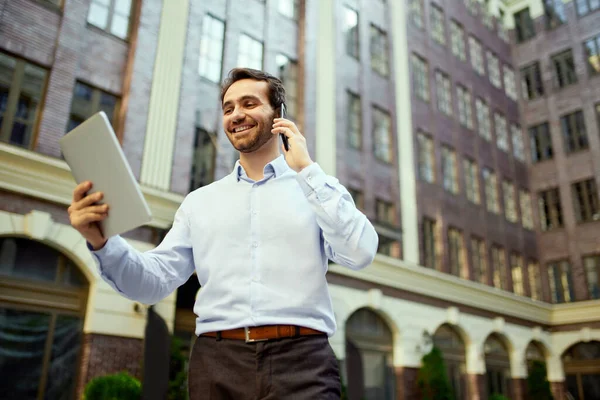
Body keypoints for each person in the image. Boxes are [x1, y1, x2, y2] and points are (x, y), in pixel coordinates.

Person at [68, 68, 378, 399]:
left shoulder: (315, 188)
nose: (236, 114)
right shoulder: (199, 203)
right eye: (228, 108)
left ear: (278, 115)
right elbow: (152, 282)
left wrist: (307, 169)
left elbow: (360, 251)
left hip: (303, 364)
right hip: (217, 365)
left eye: (249, 103)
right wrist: (102, 242)